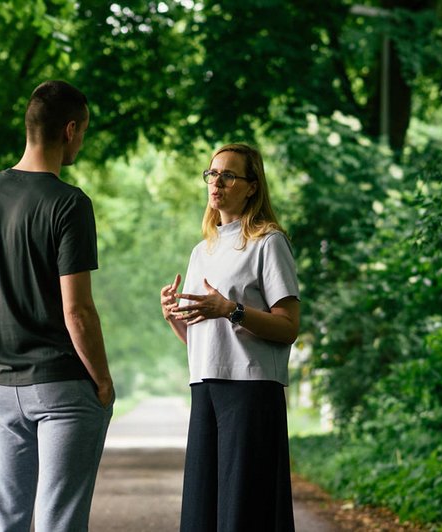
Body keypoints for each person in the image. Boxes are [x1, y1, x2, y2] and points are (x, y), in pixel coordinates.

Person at [0, 80, 114, 532]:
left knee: (3, 515)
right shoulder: (69, 204)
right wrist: (103, 381)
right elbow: (77, 311)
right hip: (63, 384)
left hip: (2, 383)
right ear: (70, 130)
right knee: (58, 517)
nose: (80, 143)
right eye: (83, 132)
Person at [160, 143, 300, 531]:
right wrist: (173, 317)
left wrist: (231, 309)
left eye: (228, 175)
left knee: (244, 512)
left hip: (251, 391)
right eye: (212, 173)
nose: (216, 182)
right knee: (202, 511)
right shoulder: (201, 251)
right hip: (205, 388)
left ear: (252, 187)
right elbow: (205, 341)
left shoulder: (269, 243)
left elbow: (289, 327)